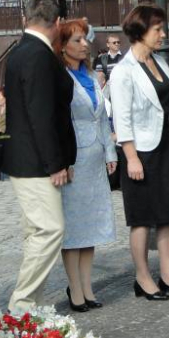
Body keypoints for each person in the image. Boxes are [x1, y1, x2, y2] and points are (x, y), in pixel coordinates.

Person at [3, 0, 77, 313]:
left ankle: (32, 304)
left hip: (28, 159)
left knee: (38, 232)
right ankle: (21, 305)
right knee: (50, 230)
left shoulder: (22, 50)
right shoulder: (36, 55)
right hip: (34, 162)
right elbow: (41, 115)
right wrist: (55, 163)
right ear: (58, 23)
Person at [110, 3, 169, 301]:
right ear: (141, 31)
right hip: (140, 152)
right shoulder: (123, 72)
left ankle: (168, 274)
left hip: (166, 145)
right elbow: (122, 118)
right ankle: (142, 277)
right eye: (157, 29)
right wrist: (130, 157)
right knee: (142, 217)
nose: (162, 34)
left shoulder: (160, 62)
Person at [56, 19, 117, 312]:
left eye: (85, 39)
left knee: (91, 225)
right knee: (74, 227)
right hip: (74, 158)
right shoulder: (60, 76)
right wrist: (62, 160)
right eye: (77, 40)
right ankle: (75, 288)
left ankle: (87, 285)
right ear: (63, 45)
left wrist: (110, 153)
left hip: (95, 158)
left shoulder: (91, 76)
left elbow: (103, 118)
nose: (84, 45)